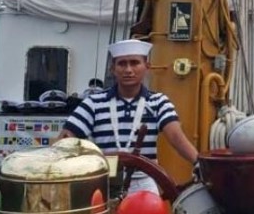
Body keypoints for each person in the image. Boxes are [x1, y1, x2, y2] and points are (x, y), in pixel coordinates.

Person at [58, 39, 199, 194]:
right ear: (113, 69)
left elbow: (176, 137)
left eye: (134, 63)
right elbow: (65, 141)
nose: (128, 70)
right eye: (122, 64)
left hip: (145, 182)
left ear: (147, 67)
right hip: (104, 181)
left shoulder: (158, 102)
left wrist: (199, 163)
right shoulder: (93, 103)